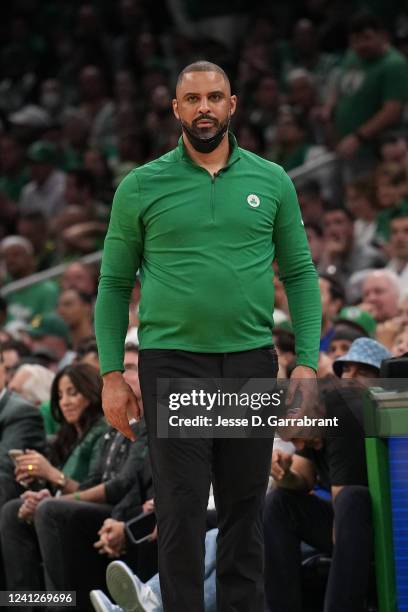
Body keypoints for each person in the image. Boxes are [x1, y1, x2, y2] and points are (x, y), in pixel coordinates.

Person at [95, 61, 322, 612]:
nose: (203, 108)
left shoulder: (272, 180)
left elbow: (300, 275)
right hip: (172, 365)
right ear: (175, 109)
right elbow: (113, 284)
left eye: (214, 97)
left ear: (232, 105)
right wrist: (110, 375)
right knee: (180, 507)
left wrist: (307, 364)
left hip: (249, 361)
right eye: (192, 98)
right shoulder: (141, 184)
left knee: (245, 507)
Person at [264, 337, 392, 612]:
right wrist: (283, 472)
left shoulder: (347, 412)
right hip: (349, 529)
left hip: (386, 529)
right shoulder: (321, 411)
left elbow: (343, 504)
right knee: (277, 502)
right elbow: (303, 477)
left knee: (351, 500)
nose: (351, 379)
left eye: (364, 372)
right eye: (346, 371)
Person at [0, 363, 108, 594]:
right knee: (14, 510)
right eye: (59, 395)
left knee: (48, 509)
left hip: (94, 511)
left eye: (73, 393)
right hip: (63, 506)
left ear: (90, 392)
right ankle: (22, 604)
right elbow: (57, 488)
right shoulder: (67, 436)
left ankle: (62, 605)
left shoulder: (103, 431)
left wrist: (52, 475)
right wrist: (37, 484)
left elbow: (100, 489)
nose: (65, 402)